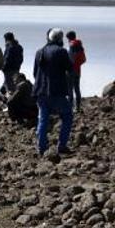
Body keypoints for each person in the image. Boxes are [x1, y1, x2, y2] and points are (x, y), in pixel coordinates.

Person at [34, 28, 74, 156]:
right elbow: (70, 67)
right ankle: (62, 145)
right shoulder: (61, 51)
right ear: (60, 39)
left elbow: (35, 73)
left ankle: (41, 147)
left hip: (40, 91)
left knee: (43, 120)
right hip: (56, 92)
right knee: (67, 115)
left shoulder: (39, 52)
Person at [66, 31, 87, 111]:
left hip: (71, 70)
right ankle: (78, 107)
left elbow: (71, 59)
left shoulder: (72, 45)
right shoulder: (80, 45)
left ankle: (70, 107)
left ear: (69, 38)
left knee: (70, 89)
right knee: (77, 88)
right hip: (78, 70)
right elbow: (83, 59)